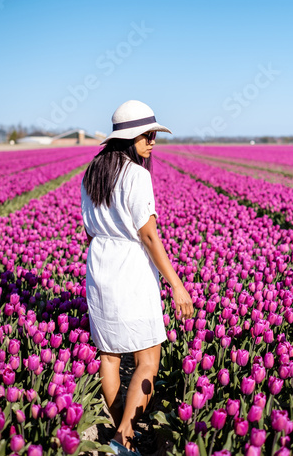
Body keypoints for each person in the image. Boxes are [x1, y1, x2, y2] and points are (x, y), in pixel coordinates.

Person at [81, 100, 194, 455]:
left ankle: (121, 431)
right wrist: (176, 284)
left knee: (110, 356)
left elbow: (88, 229)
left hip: (99, 264)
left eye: (154, 134)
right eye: (147, 135)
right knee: (148, 358)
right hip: (130, 268)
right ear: (129, 138)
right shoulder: (137, 175)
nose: (153, 141)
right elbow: (148, 235)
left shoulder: (92, 171)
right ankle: (125, 435)